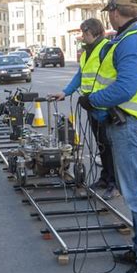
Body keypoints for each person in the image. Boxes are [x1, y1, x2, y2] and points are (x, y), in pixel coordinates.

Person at [78, 0, 137, 273]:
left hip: (130, 125)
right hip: (125, 123)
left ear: (114, 11)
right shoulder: (132, 36)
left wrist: (93, 100)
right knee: (133, 193)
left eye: (109, 11)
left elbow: (126, 87)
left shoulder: (135, 40)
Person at [53, 18, 120, 200]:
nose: (82, 36)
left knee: (109, 146)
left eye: (85, 33)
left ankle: (115, 184)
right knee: (101, 146)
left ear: (96, 33)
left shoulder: (107, 49)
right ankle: (105, 178)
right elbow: (80, 75)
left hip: (106, 106)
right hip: (91, 105)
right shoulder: (86, 53)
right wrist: (65, 92)